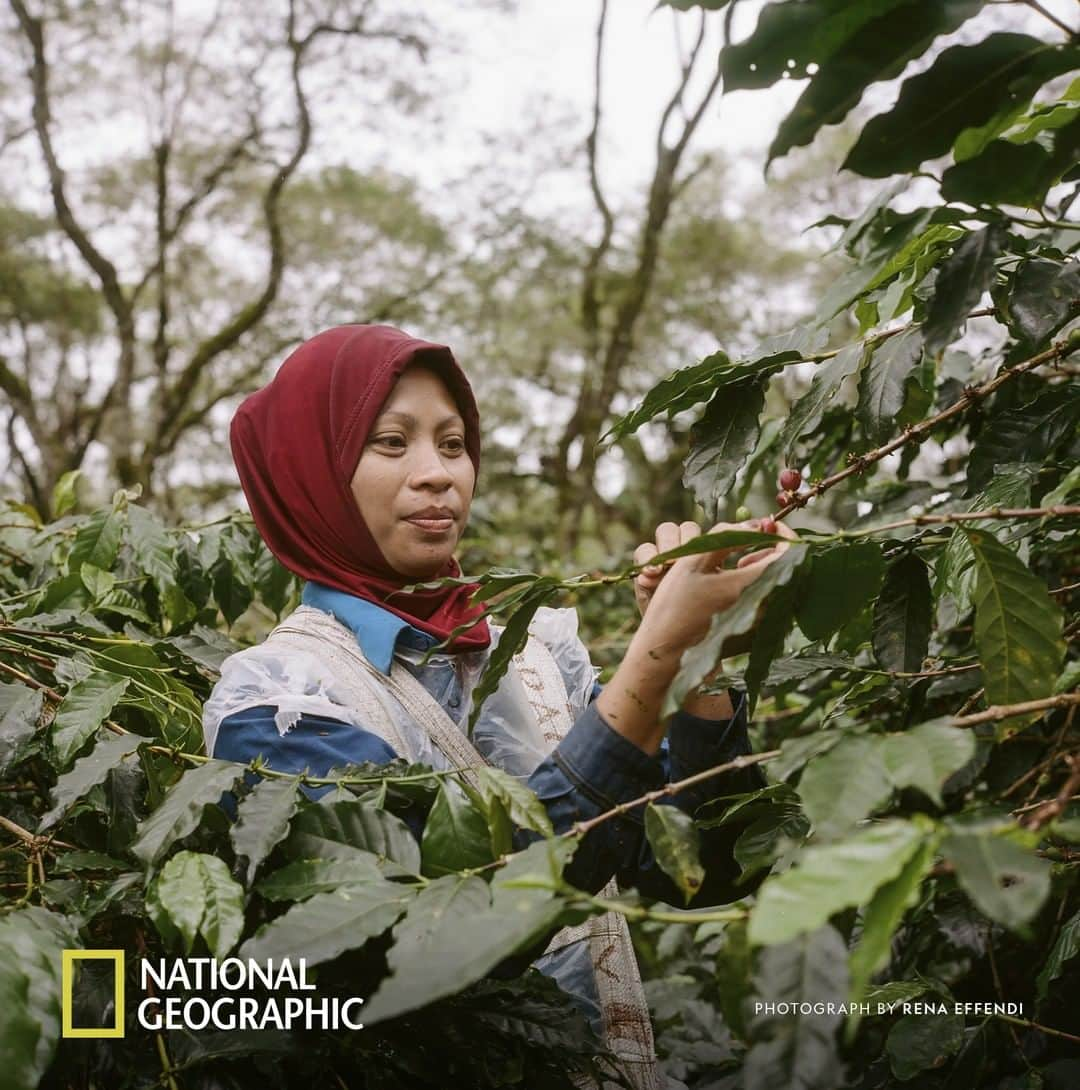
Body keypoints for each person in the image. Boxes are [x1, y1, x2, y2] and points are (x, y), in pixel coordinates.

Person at [202, 324, 796, 1090]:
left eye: (453, 445)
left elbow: (696, 875)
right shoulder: (279, 701)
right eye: (391, 443)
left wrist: (698, 659)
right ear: (307, 473)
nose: (437, 475)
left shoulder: (537, 647)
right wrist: (654, 662)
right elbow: (442, 929)